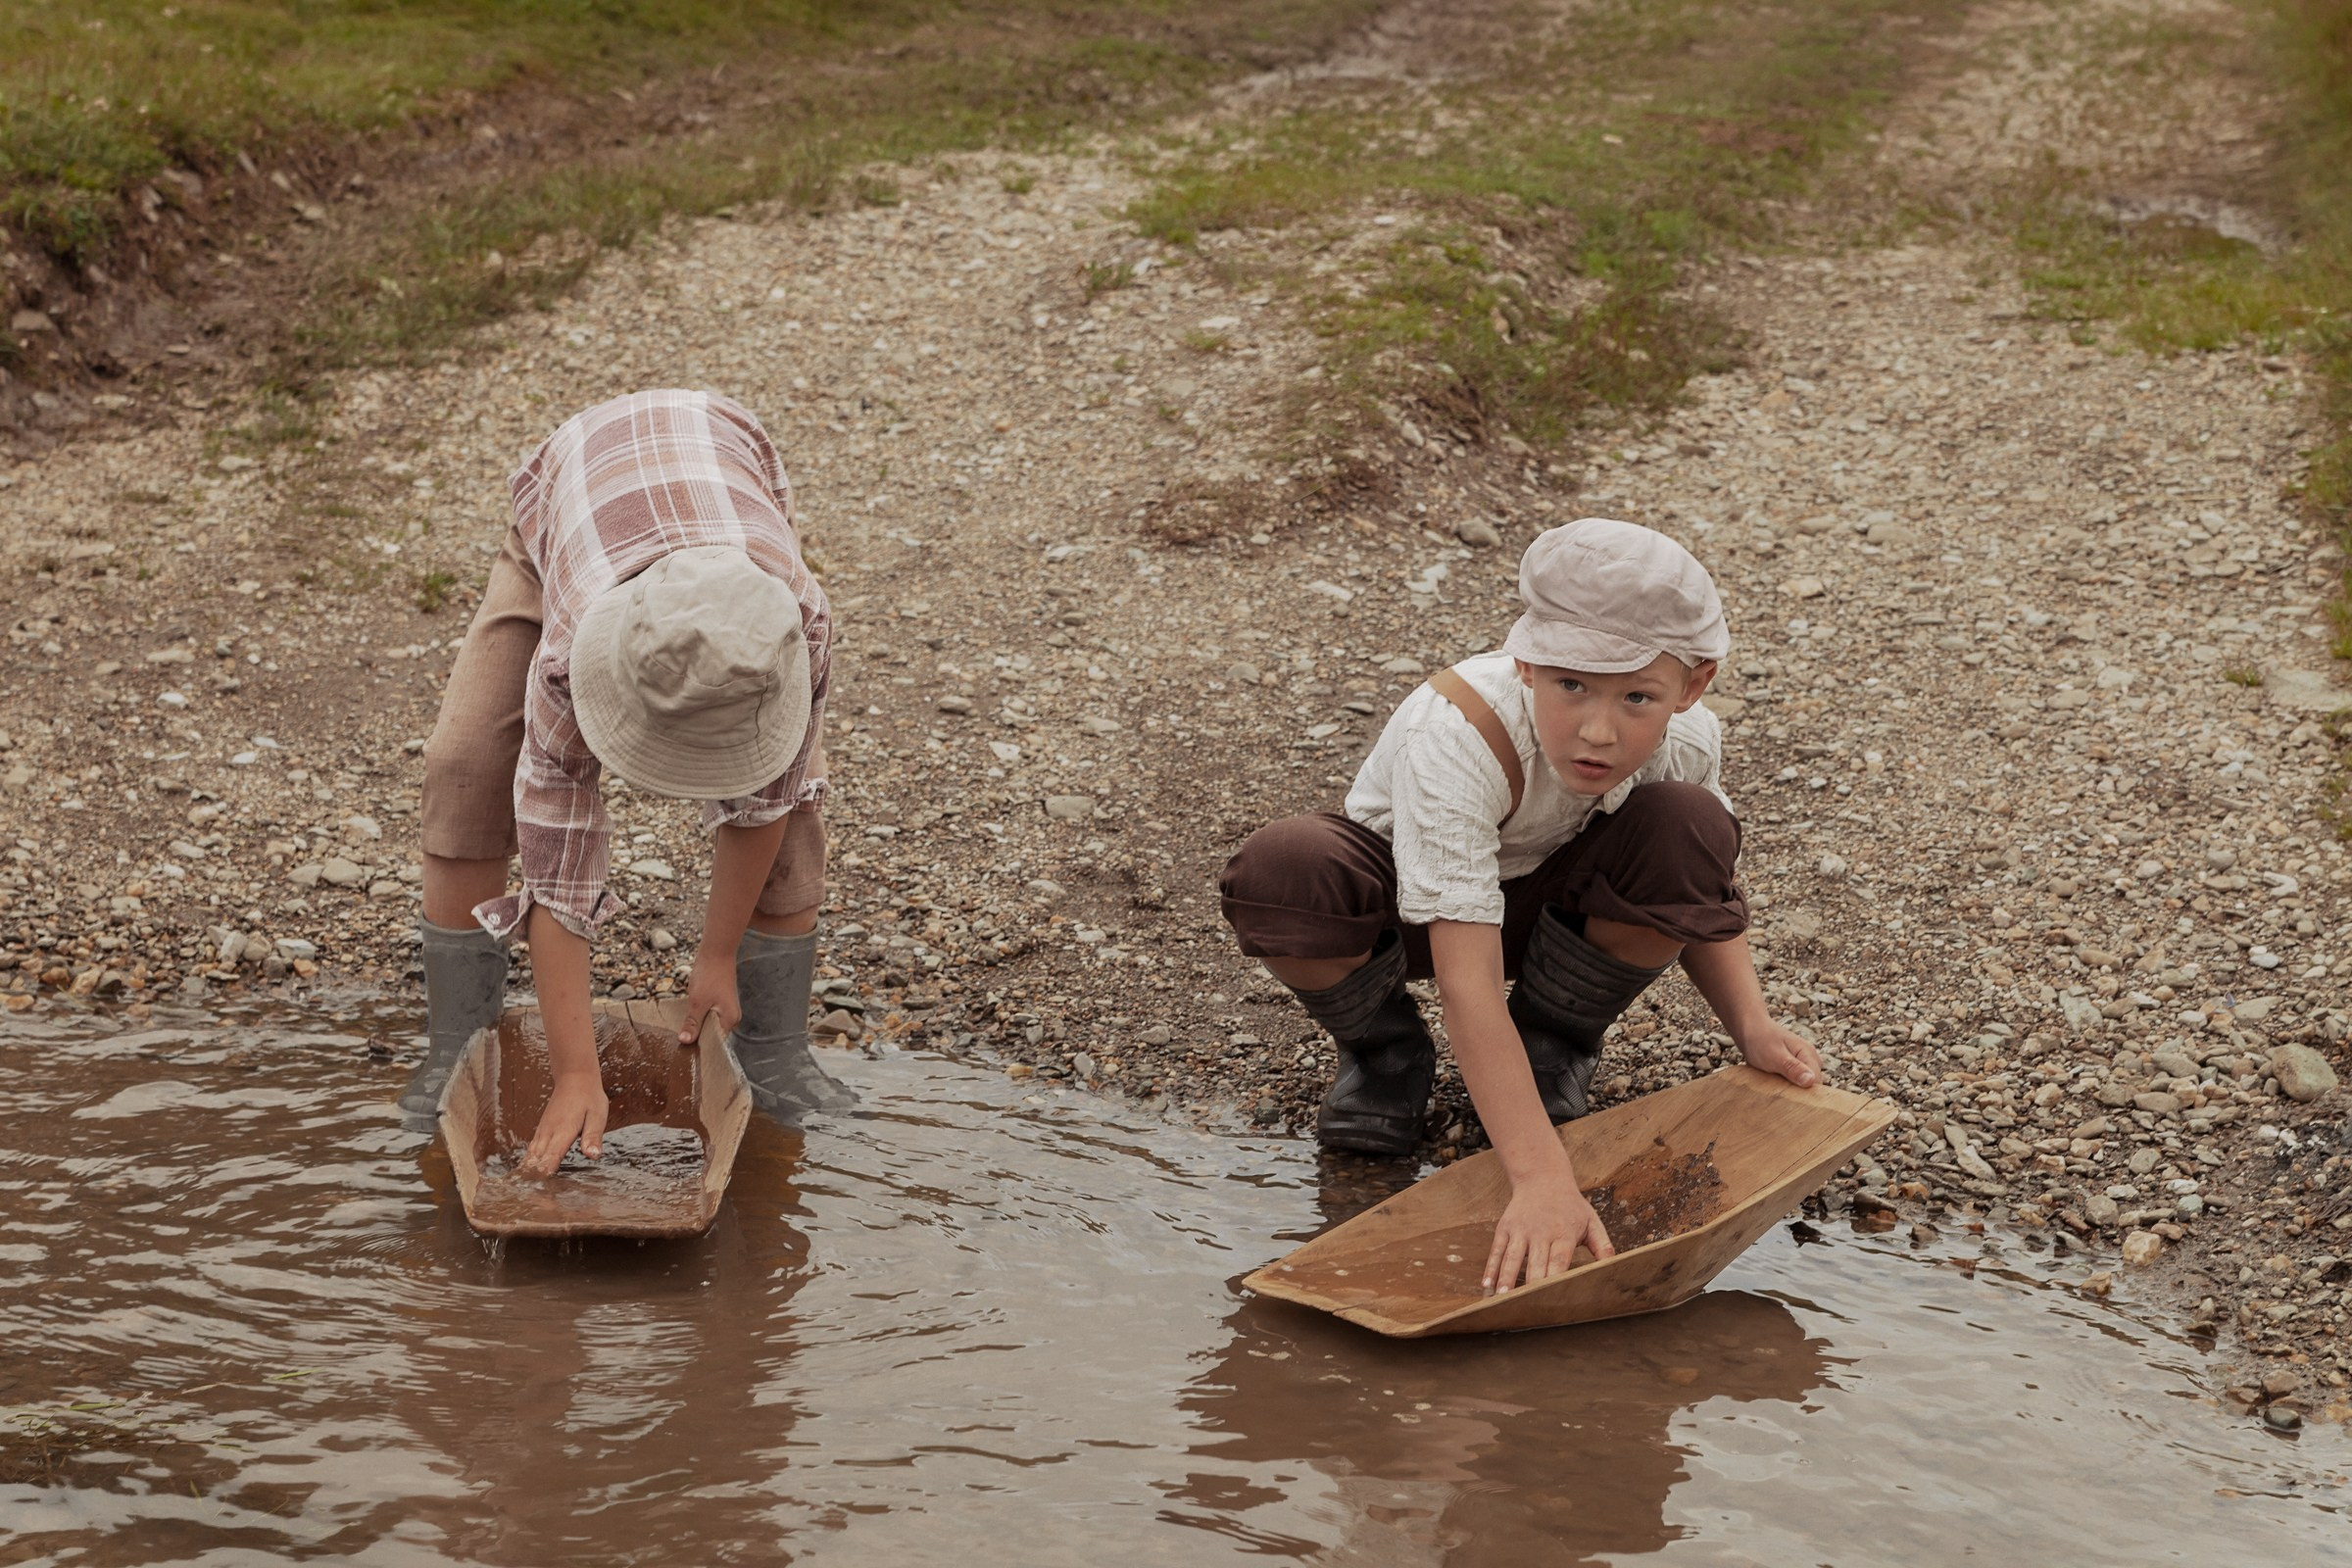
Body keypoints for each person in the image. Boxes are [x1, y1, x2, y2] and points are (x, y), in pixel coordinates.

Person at [1219, 516, 1820, 1295]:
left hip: (1550, 918)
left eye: (1638, 697)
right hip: (1412, 915)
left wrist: (1752, 1026)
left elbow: (1699, 887)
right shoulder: (1456, 733)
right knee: (1284, 867)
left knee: (1691, 824)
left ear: (1692, 687)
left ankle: (1553, 1045)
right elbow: (1466, 983)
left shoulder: (1690, 739)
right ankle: (1385, 1055)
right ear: (1528, 663)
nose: (1598, 730)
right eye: (1571, 686)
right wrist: (1541, 1180)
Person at [403, 389, 852, 1172]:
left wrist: (715, 957)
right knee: (466, 760)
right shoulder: (567, 659)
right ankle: (459, 1047)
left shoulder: (797, 625)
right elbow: (559, 870)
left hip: (724, 463)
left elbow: (769, 799)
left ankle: (774, 1047)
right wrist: (578, 1072)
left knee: (794, 789)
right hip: (571, 504)